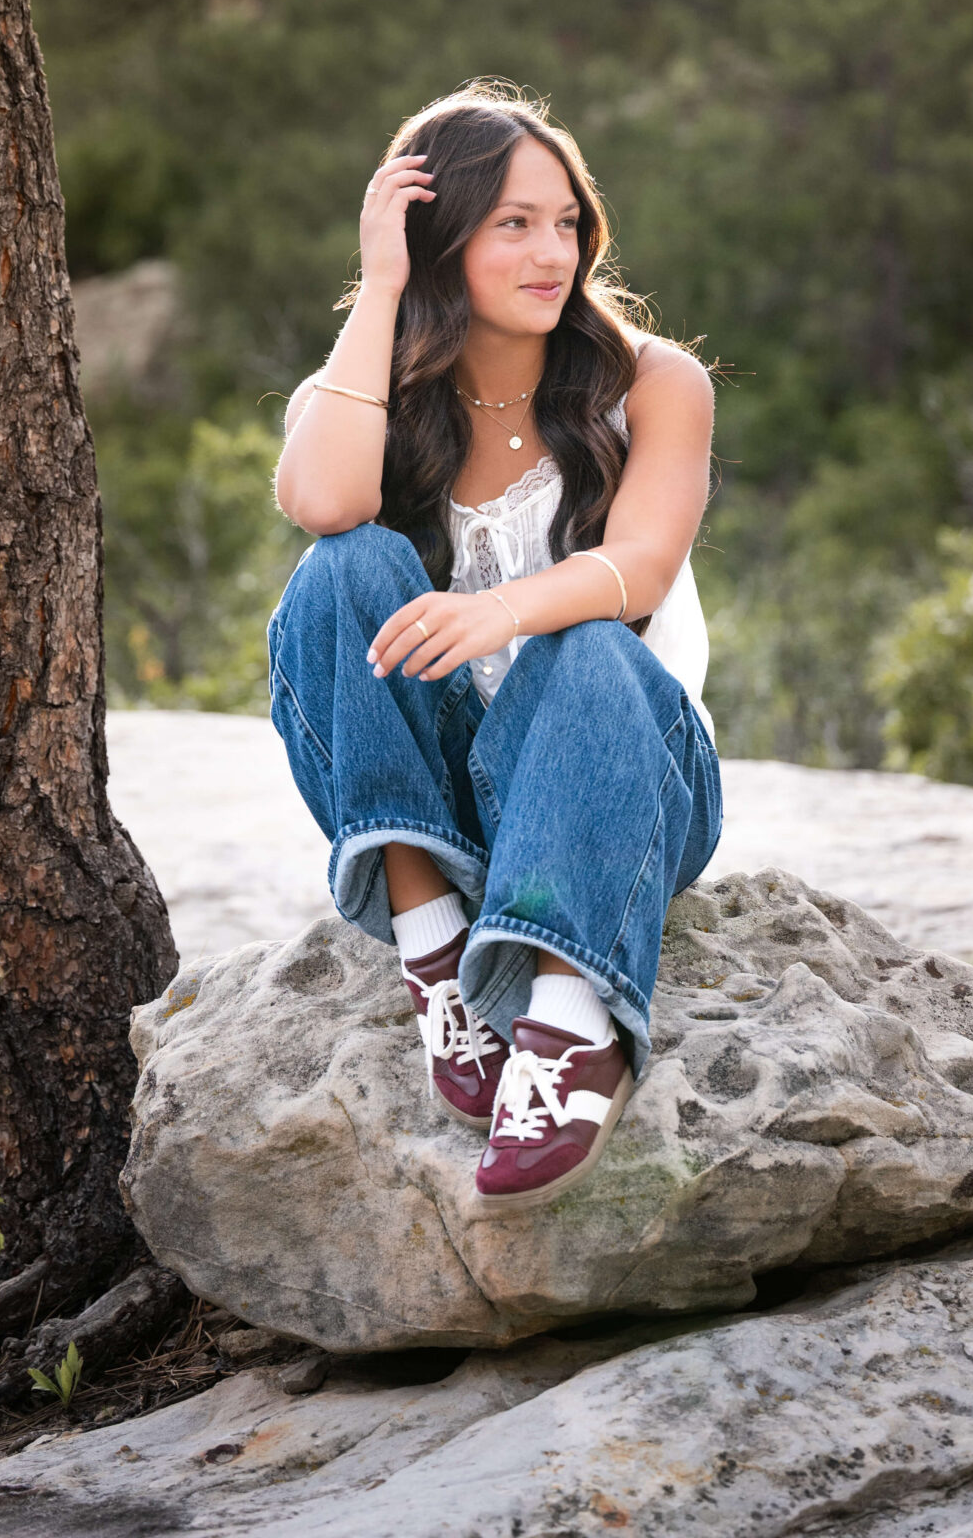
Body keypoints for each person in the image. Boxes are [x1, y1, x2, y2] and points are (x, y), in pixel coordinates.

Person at [270, 83, 721, 1208]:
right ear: (442, 240)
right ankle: (434, 945)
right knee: (344, 567)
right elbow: (323, 501)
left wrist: (503, 610)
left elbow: (641, 576)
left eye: (565, 222)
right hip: (459, 808)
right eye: (512, 223)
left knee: (588, 641)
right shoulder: (374, 387)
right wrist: (379, 286)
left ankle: (572, 1025)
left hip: (625, 777)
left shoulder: (654, 383)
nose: (551, 251)